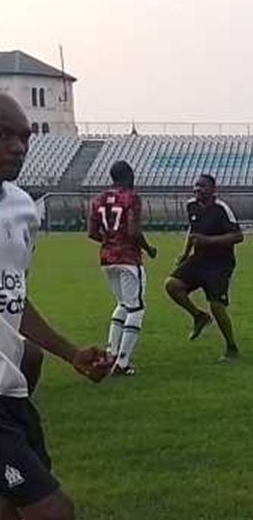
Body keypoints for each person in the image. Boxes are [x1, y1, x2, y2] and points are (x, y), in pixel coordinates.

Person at [0, 94, 110, 520]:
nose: (17, 146)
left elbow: (13, 302)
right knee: (48, 516)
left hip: (12, 394)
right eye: (3, 135)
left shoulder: (20, 208)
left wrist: (67, 353)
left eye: (23, 136)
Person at [88, 161, 157, 376]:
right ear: (129, 176)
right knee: (136, 308)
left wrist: (110, 241)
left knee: (123, 304)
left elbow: (92, 232)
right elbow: (134, 232)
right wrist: (149, 249)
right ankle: (122, 362)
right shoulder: (131, 197)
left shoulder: (97, 200)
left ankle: (111, 352)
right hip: (128, 258)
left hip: (107, 259)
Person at [164, 174, 242, 361]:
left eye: (203, 186)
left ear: (213, 190)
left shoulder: (222, 209)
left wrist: (209, 240)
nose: (198, 189)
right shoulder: (191, 206)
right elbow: (193, 231)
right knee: (172, 285)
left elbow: (238, 236)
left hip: (220, 263)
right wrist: (185, 253)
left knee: (216, 304)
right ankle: (199, 316)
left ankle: (231, 347)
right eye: (196, 185)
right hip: (199, 259)